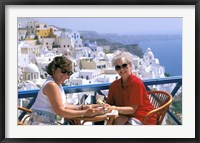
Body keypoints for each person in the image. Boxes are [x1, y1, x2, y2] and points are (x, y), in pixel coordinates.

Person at [28, 55, 101, 125]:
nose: (66, 75)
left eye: (69, 73)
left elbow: (64, 106)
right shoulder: (52, 85)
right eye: (63, 71)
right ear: (54, 68)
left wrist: (83, 107)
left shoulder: (57, 84)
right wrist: (85, 113)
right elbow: (60, 111)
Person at [105, 51, 156, 125]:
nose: (121, 69)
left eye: (124, 66)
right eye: (118, 67)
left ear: (130, 66)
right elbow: (110, 104)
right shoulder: (114, 85)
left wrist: (114, 108)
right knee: (111, 122)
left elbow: (132, 109)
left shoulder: (136, 83)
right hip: (126, 116)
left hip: (143, 117)